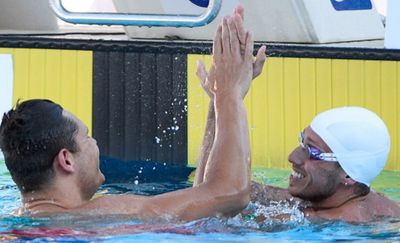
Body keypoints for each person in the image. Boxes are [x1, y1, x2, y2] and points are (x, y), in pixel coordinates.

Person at [0, 6, 255, 222]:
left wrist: (219, 104)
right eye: (87, 137)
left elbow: (205, 202)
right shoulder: (102, 214)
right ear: (66, 160)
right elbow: (231, 193)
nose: (94, 143)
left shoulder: (18, 222)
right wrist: (228, 92)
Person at [250, 107, 400, 222]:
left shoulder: (326, 221)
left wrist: (231, 97)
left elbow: (230, 204)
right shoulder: (370, 200)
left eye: (313, 151)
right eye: (302, 142)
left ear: (348, 175)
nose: (293, 157)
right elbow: (255, 193)